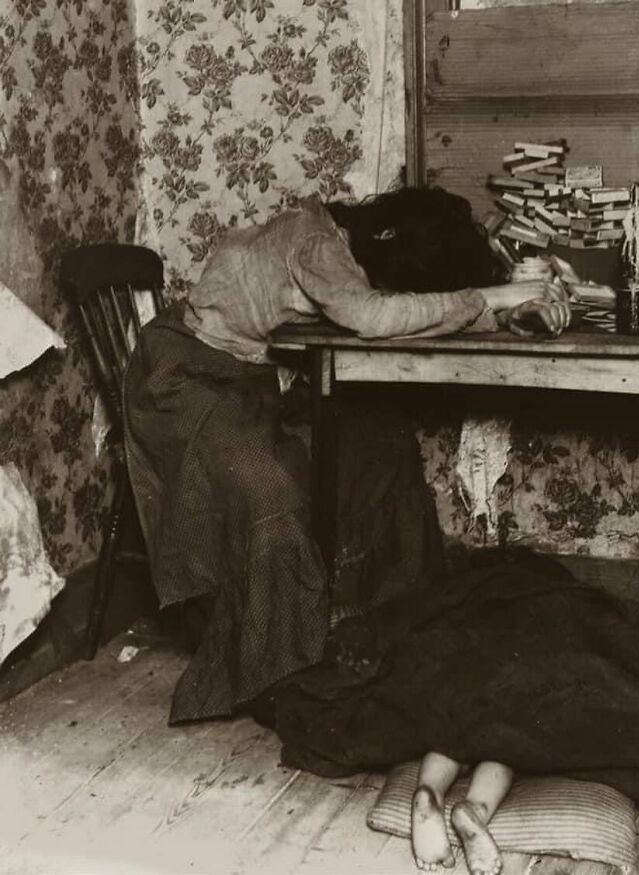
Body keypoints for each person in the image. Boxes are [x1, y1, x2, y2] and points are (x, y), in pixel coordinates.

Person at [123, 186, 572, 728]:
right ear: (387, 242)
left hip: (249, 377)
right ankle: (276, 671)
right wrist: (491, 299)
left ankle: (385, 621)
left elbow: (397, 312)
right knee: (272, 494)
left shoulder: (341, 241)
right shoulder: (316, 243)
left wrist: (506, 312)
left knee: (379, 439)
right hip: (182, 379)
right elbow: (374, 317)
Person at [257, 549, 639, 874]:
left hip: (469, 671)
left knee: (461, 716)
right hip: (530, 676)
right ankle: (473, 811)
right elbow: (622, 637)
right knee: (509, 731)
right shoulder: (570, 592)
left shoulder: (476, 586)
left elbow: (415, 612)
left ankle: (426, 792)